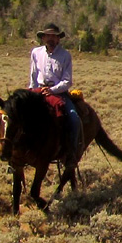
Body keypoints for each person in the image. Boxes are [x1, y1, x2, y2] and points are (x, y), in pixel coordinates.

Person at [29, 23, 81, 167]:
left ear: (58, 39)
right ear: (43, 37)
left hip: (59, 93)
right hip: (38, 91)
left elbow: (67, 80)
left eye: (54, 36)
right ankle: (15, 156)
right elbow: (33, 76)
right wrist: (32, 92)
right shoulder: (36, 53)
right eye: (48, 36)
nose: (50, 38)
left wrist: (52, 90)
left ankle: (71, 153)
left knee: (74, 119)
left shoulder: (65, 55)